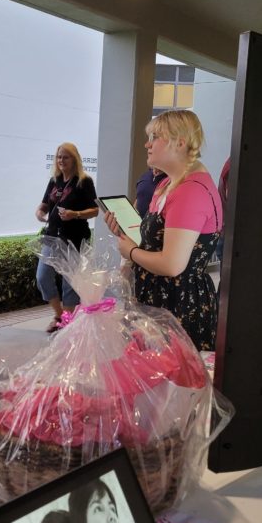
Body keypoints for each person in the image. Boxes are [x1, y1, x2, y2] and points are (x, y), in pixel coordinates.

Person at [103, 110, 222, 350]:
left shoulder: (190, 191)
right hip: (159, 298)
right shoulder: (169, 182)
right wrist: (125, 233)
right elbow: (157, 240)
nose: (147, 144)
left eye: (155, 137)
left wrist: (132, 252)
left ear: (180, 142)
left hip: (177, 304)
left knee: (169, 383)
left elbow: (172, 264)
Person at [35, 142, 99, 332]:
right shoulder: (55, 181)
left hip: (74, 238)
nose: (61, 160)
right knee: (42, 276)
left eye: (66, 157)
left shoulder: (83, 181)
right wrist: (39, 212)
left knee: (69, 282)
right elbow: (45, 203)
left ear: (74, 159)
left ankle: (67, 321)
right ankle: (58, 314)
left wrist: (75, 214)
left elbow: (95, 210)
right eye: (59, 157)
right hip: (52, 236)